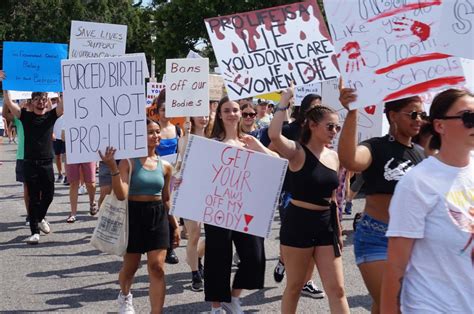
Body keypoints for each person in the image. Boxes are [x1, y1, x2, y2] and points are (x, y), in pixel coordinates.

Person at [381, 89, 474, 313]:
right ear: (440, 126)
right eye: (469, 117)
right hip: (431, 306)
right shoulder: (417, 183)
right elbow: (395, 266)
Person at [338, 83, 426, 313]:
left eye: (422, 115)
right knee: (395, 306)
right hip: (376, 237)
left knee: (382, 306)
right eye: (414, 114)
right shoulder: (375, 147)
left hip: (410, 240)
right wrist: (352, 111)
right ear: (393, 115)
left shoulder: (421, 154)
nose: (419, 119)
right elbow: (350, 160)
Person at [269, 89, 349, 314]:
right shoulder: (297, 152)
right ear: (312, 125)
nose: (334, 131)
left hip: (325, 224)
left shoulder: (334, 156)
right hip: (298, 224)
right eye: (330, 126)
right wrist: (284, 100)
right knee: (294, 287)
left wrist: (338, 228)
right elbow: (274, 135)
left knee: (338, 289)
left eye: (337, 127)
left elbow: (332, 197)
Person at [202, 96, 277, 314]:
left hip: (246, 209)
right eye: (227, 110)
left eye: (236, 110)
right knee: (218, 258)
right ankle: (216, 306)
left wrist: (259, 146)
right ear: (220, 114)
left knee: (254, 257)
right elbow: (198, 174)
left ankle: (233, 298)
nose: (233, 114)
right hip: (218, 208)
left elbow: (277, 163)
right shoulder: (212, 144)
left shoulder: (250, 141)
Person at [99, 119, 180, 314]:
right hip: (134, 215)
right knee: (130, 268)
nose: (156, 136)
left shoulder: (166, 166)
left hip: (158, 216)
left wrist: (175, 225)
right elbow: (121, 194)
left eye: (157, 131)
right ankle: (125, 295)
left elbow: (166, 199)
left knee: (157, 268)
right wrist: (113, 169)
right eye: (150, 132)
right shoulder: (128, 162)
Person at [267, 94, 326, 299]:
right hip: (290, 192)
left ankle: (306, 281)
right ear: (304, 109)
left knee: (313, 241)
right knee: (290, 234)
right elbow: (271, 150)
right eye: (314, 106)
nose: (318, 111)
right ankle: (285, 261)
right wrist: (289, 158)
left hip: (315, 192)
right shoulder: (291, 130)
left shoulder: (323, 131)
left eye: (321, 107)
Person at [3, 88, 63, 244]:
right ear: (32, 101)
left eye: (43, 98)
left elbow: (64, 106)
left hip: (46, 163)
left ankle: (39, 218)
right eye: (37, 99)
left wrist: (62, 87)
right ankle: (34, 232)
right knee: (33, 198)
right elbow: (9, 103)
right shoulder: (25, 116)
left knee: (49, 194)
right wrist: (5, 85)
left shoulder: (51, 116)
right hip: (29, 163)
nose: (41, 101)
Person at [177, 116, 210, 292]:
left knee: (212, 237)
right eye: (200, 115)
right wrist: (188, 133)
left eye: (206, 114)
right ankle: (195, 274)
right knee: (194, 235)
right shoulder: (184, 139)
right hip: (189, 192)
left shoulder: (214, 139)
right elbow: (184, 154)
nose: (203, 118)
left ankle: (196, 258)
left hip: (211, 193)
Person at [153, 89, 182, 265]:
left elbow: (181, 152)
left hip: (173, 174)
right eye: (163, 110)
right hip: (156, 173)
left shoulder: (177, 129)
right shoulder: (153, 129)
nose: (166, 113)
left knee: (171, 209)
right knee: (160, 209)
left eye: (169, 109)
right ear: (157, 111)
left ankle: (170, 248)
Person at [2, 95, 30, 225]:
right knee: (27, 187)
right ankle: (30, 214)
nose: (29, 104)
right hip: (23, 156)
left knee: (41, 189)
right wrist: (9, 96)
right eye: (28, 102)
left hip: (41, 157)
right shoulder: (20, 118)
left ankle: (40, 214)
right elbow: (5, 114)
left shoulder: (42, 116)